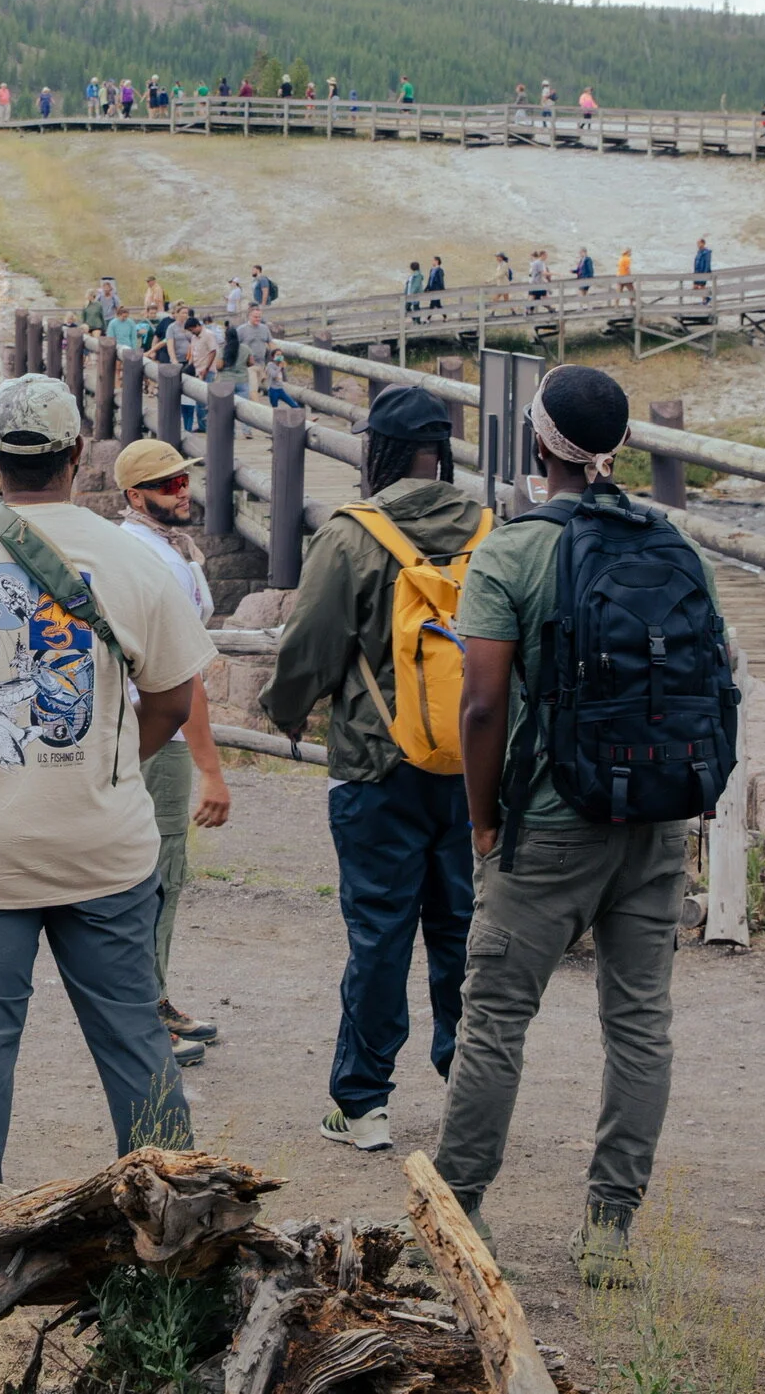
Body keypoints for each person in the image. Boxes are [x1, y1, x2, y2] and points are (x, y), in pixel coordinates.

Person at [0, 376, 218, 1187]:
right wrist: (113, 764)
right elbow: (172, 697)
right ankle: (175, 1233)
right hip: (101, 844)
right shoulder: (135, 566)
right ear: (75, 455)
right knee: (134, 1036)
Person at [437, 362, 727, 1288]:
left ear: (537, 443)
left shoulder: (512, 549)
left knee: (494, 1020)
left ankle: (458, 1206)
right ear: (618, 449)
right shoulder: (671, 542)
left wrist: (483, 824)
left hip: (549, 821)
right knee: (639, 1026)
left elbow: (481, 705)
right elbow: (709, 682)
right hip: (653, 823)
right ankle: (608, 1228)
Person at [260, 390, 487, 1152]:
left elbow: (308, 647)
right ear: (440, 450)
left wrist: (288, 710)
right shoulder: (491, 530)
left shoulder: (353, 535)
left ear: (378, 452)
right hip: (472, 766)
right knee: (461, 926)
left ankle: (363, 1104)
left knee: (380, 931)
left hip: (373, 763)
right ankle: (470, 1088)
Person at [113, 440, 235, 1063]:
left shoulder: (162, 547)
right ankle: (144, 1016)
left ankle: (152, 997)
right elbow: (183, 677)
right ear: (135, 496)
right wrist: (211, 769)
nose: (181, 491)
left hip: (142, 721)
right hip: (154, 725)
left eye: (184, 480)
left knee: (157, 870)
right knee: (158, 871)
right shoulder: (151, 558)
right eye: (165, 485)